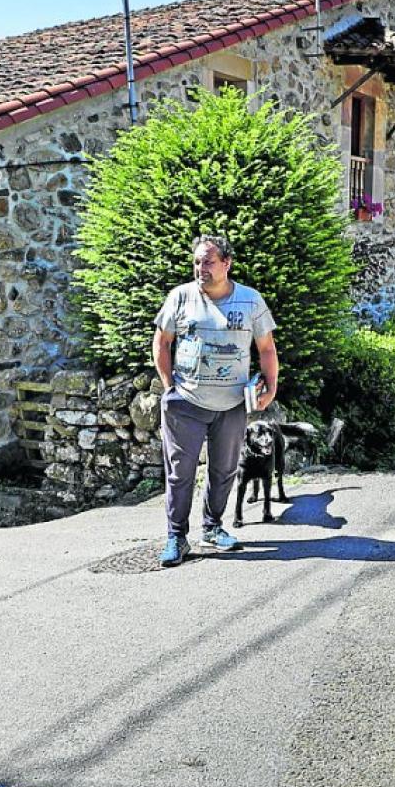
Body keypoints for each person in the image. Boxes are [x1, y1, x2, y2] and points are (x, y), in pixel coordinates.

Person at [151, 235, 278, 567]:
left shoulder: (250, 301)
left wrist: (271, 388)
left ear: (226, 264)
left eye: (208, 261)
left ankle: (212, 527)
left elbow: (266, 348)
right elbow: (161, 342)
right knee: (181, 473)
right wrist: (169, 387)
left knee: (223, 470)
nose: (200, 268)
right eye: (196, 262)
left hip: (232, 405)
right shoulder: (180, 297)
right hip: (185, 404)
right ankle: (176, 537)